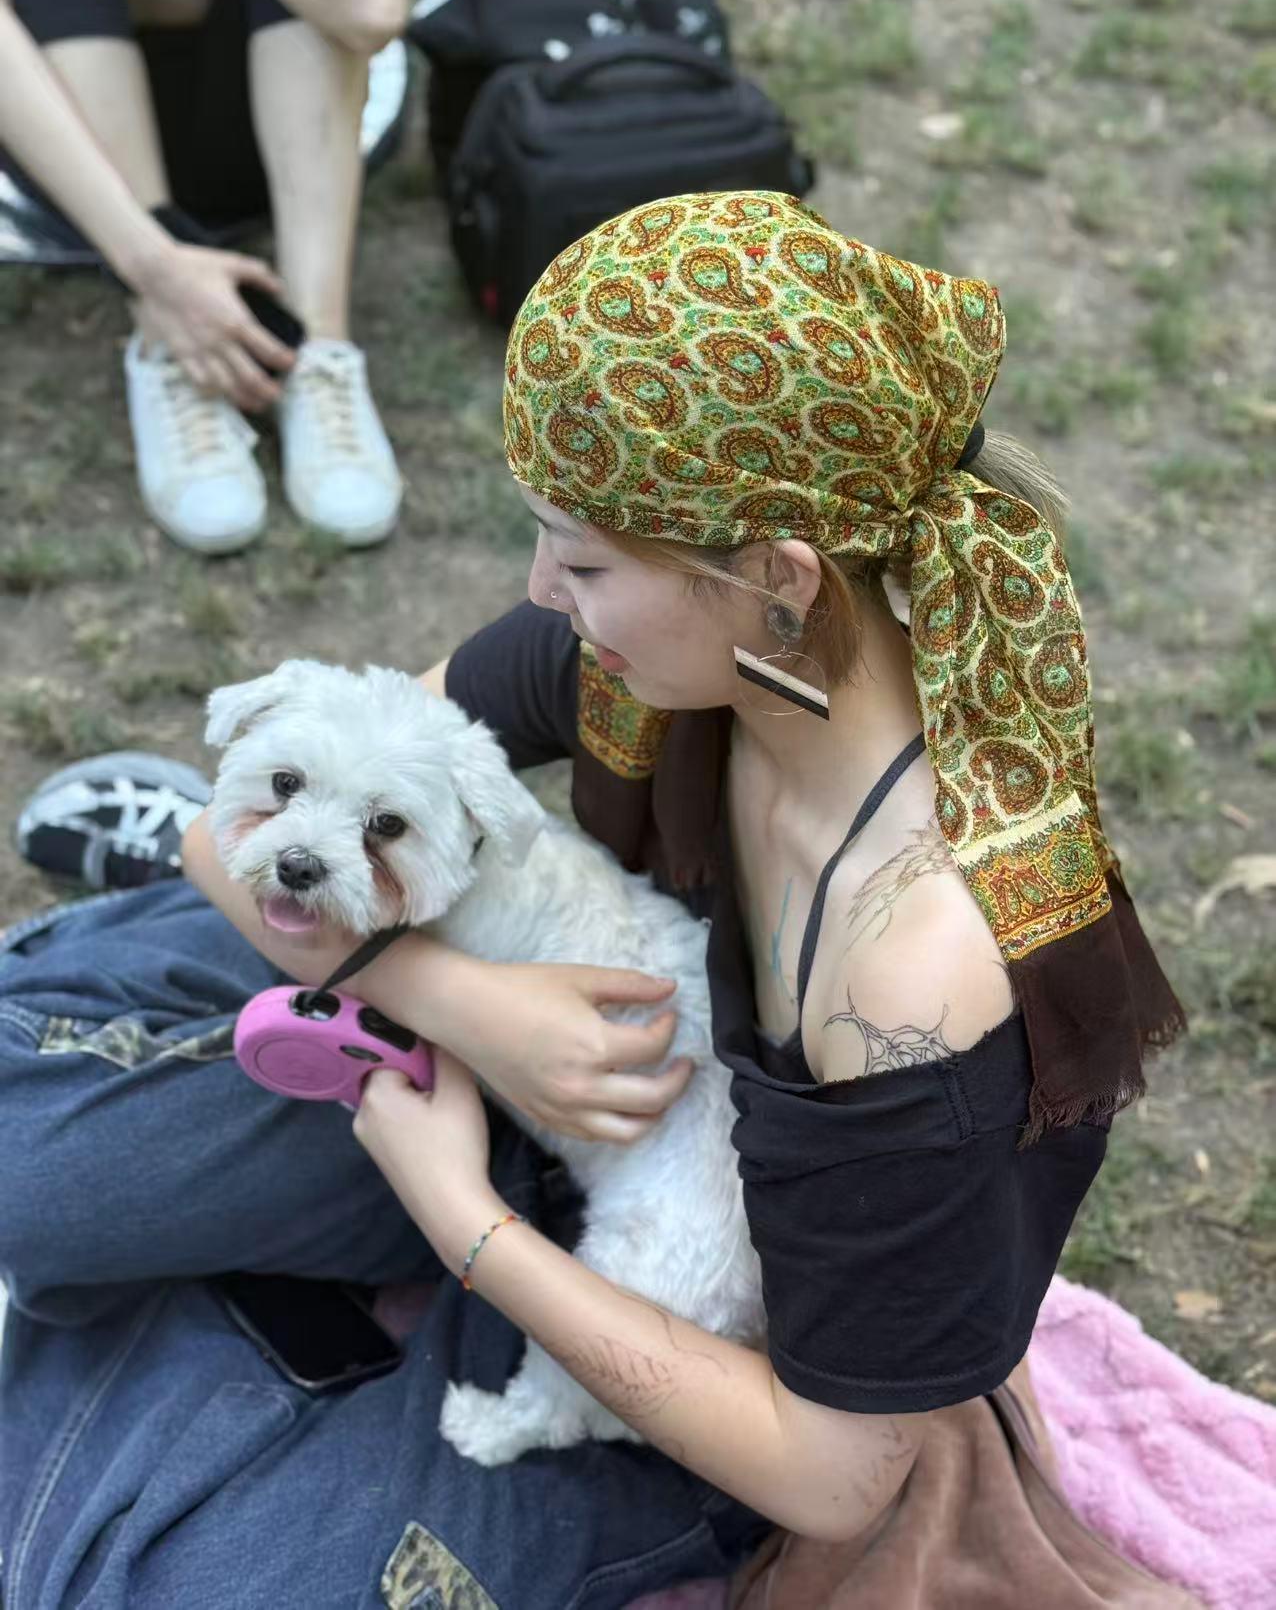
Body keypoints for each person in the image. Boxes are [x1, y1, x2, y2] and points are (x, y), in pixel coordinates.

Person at [0, 193, 1189, 1609]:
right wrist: (470, 1009)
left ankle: (319, 1337)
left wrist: (464, 1223)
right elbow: (235, 830)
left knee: (220, 1587)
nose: (540, 589)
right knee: (32, 1169)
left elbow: (833, 1477)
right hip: (505, 1100)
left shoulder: (915, 966)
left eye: (579, 560)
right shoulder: (665, 655)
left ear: (779, 580)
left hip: (705, 1319)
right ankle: (303, 1332)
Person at [0, 0, 408, 554]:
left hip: (266, 124)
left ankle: (317, 347)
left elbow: (371, 5)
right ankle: (170, 340)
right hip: (73, 152)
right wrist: (151, 265)